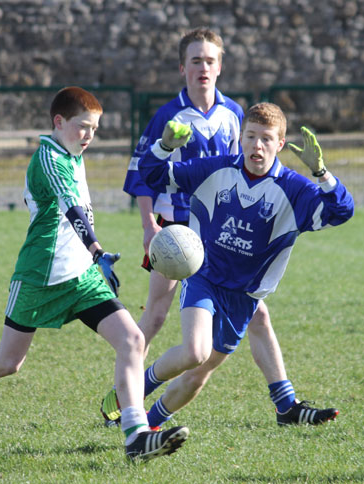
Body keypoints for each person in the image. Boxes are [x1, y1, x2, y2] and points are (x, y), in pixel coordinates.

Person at [0, 86, 189, 461]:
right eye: (83, 127)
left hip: (82, 277)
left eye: (95, 129)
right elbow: (71, 208)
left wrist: (161, 148)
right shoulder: (49, 157)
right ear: (59, 122)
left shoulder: (72, 153)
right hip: (39, 276)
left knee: (132, 339)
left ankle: (136, 437)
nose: (89, 136)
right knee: (9, 362)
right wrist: (97, 249)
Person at [101, 27, 323, 427]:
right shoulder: (168, 115)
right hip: (176, 231)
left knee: (254, 316)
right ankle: (126, 392)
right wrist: (149, 225)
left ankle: (284, 402)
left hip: (219, 230)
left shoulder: (235, 114)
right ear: (182, 66)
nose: (203, 67)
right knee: (155, 315)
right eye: (195, 60)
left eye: (210, 60)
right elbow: (143, 173)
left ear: (220, 67)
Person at [132, 102, 353, 430]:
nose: (257, 145)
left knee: (197, 377)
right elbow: (152, 176)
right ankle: (134, 394)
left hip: (245, 296)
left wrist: (321, 174)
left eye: (266, 139)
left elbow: (341, 211)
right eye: (250, 136)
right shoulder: (216, 169)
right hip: (203, 277)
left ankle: (147, 425)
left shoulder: (294, 190)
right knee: (195, 351)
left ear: (280, 144)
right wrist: (164, 146)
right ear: (240, 138)